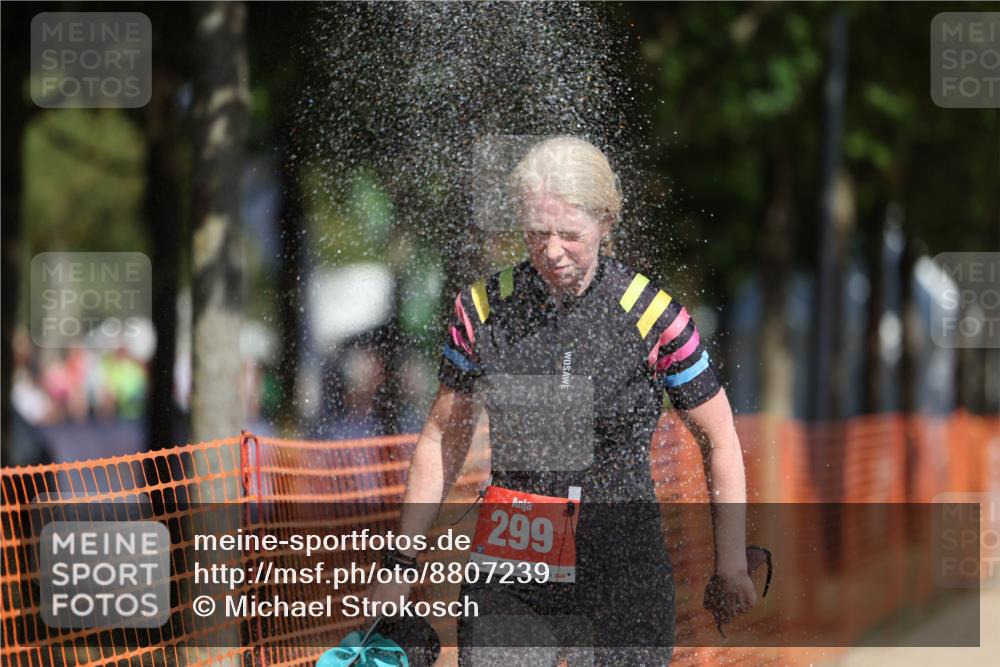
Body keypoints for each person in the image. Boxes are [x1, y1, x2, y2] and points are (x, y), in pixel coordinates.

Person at [368, 136, 755, 665]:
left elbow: (720, 437)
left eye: (570, 235)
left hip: (621, 566)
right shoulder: (481, 308)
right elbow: (443, 436)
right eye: (536, 233)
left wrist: (729, 565)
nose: (552, 251)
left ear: (606, 224)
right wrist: (400, 564)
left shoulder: (654, 315)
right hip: (513, 563)